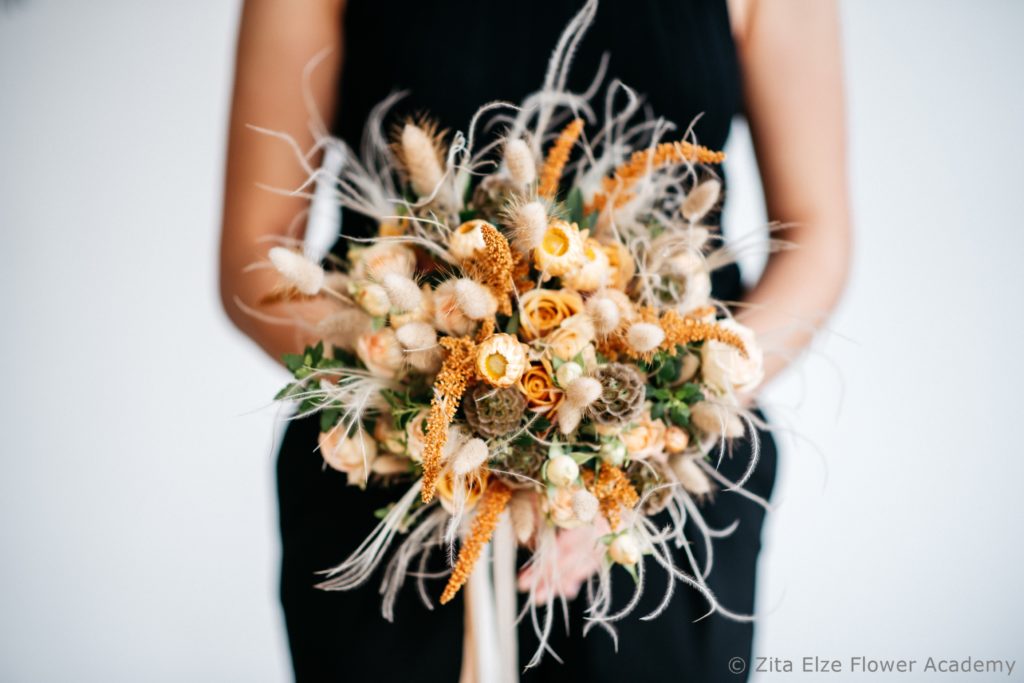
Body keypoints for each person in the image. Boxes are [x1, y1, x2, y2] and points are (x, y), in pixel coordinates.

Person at [219, 1, 850, 680]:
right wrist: (427, 392)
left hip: (665, 497)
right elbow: (254, 254)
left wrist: (638, 434)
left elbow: (817, 234)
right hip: (388, 485)